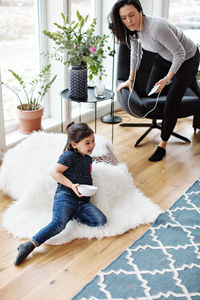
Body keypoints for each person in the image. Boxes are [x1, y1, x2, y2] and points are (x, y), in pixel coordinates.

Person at [108, 0, 200, 161]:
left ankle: (163, 145)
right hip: (165, 57)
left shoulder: (157, 28)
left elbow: (180, 53)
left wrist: (167, 79)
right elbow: (136, 54)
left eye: (131, 15)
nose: (129, 21)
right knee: (151, 89)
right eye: (124, 18)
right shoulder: (132, 30)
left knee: (172, 101)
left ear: (140, 12)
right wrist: (130, 79)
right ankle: (190, 82)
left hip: (187, 59)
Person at [14, 122, 107, 266]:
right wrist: (71, 185)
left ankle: (72, 214)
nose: (92, 145)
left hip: (82, 202)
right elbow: (55, 172)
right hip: (66, 196)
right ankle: (30, 245)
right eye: (87, 143)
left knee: (100, 220)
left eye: (93, 141)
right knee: (58, 224)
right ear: (75, 145)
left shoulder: (88, 159)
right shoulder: (69, 156)